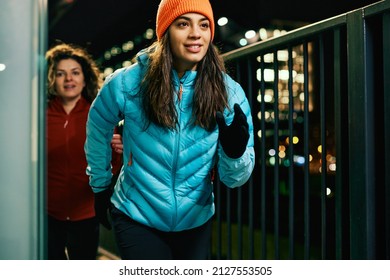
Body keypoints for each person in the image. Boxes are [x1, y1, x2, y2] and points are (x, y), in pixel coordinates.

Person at [85, 0, 255, 260]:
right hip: (136, 214)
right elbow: (98, 126)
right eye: (183, 24)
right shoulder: (129, 82)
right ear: (165, 31)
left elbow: (234, 180)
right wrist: (100, 185)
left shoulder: (229, 92)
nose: (196, 33)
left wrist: (234, 154)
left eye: (204, 24)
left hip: (195, 220)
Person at [45, 42, 122, 260]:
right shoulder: (38, 114)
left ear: (84, 76)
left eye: (75, 72)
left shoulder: (99, 113)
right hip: (48, 212)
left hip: (87, 211)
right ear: (52, 79)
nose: (69, 79)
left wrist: (118, 152)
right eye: (60, 73)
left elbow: (112, 164)